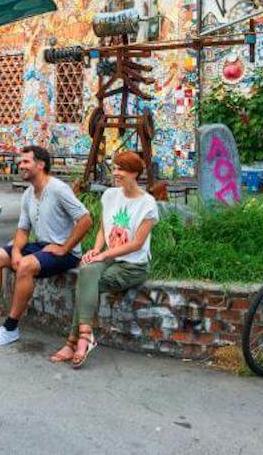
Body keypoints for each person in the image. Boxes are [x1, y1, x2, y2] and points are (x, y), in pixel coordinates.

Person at [0, 145, 91, 347]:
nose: (21, 165)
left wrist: (64, 248)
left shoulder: (58, 189)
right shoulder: (28, 193)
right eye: (20, 162)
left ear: (41, 165)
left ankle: (10, 328)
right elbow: (23, 230)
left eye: (26, 161)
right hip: (42, 246)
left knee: (26, 265)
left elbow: (86, 219)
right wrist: (16, 251)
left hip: (65, 253)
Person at [50, 151, 157, 367]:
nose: (115, 173)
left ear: (135, 174)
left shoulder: (148, 204)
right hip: (110, 257)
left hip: (133, 265)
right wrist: (95, 250)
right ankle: (84, 338)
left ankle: (74, 341)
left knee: (87, 282)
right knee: (87, 270)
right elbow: (103, 228)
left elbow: (136, 244)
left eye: (121, 169)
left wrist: (103, 254)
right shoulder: (109, 195)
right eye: (115, 168)